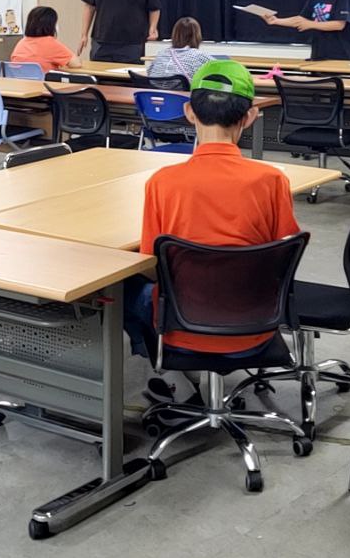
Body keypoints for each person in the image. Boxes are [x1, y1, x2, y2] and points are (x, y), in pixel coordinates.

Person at [125, 59, 300, 401]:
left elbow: (150, 261)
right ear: (250, 116)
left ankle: (171, 377)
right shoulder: (272, 181)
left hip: (182, 328)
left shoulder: (162, 183)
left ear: (189, 112)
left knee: (123, 288)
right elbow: (284, 255)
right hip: (257, 326)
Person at [10, 6, 80, 74]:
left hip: (19, 84)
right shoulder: (50, 43)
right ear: (51, 25)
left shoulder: (21, 43)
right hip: (43, 84)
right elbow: (76, 64)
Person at [148, 17, 212, 81]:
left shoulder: (161, 54)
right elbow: (219, 70)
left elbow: (149, 72)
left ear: (174, 34)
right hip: (181, 90)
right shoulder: (199, 56)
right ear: (197, 36)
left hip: (155, 90)